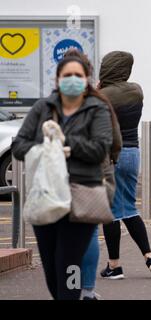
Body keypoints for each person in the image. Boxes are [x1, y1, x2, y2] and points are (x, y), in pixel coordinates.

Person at [12, 54, 113, 300]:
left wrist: (66, 143)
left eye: (78, 76)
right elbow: (19, 146)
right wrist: (44, 147)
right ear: (57, 79)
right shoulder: (43, 108)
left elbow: (100, 148)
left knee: (70, 263)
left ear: (86, 79)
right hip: (46, 194)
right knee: (51, 267)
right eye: (67, 75)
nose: (72, 80)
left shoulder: (96, 109)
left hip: (80, 195)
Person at [98, 51, 151, 279]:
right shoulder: (136, 90)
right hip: (132, 152)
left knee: (111, 212)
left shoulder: (101, 94)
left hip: (108, 154)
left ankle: (114, 265)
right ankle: (150, 257)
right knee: (129, 207)